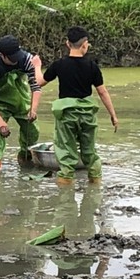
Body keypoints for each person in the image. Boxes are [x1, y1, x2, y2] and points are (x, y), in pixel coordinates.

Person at [31, 26, 118, 184]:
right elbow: (103, 92)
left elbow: (39, 82)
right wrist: (113, 115)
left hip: (66, 115)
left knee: (65, 153)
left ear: (67, 44)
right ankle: (95, 186)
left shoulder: (59, 65)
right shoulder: (92, 66)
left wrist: (36, 65)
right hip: (87, 116)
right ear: (85, 45)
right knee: (90, 152)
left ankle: (66, 200)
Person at [0, 35, 41, 171]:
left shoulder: (26, 59)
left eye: (17, 57)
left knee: (32, 132)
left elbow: (36, 86)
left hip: (22, 100)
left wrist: (33, 109)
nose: (16, 61)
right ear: (2, 55)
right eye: (12, 58)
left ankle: (25, 160)